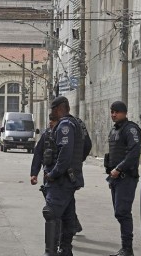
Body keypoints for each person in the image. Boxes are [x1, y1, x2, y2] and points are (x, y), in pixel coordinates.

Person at [39, 96, 85, 256]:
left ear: (59, 108)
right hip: (69, 179)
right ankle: (66, 251)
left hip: (61, 180)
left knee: (50, 212)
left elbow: (64, 155)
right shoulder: (74, 123)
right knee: (67, 216)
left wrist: (53, 173)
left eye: (53, 109)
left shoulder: (65, 125)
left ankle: (50, 253)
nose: (52, 112)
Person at [105, 101, 141, 256]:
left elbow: (134, 153)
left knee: (123, 212)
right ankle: (125, 248)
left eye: (117, 112)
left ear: (124, 113)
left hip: (126, 177)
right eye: (112, 112)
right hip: (115, 178)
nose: (114, 115)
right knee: (119, 213)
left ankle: (127, 249)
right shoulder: (114, 130)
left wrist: (119, 168)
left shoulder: (131, 129)